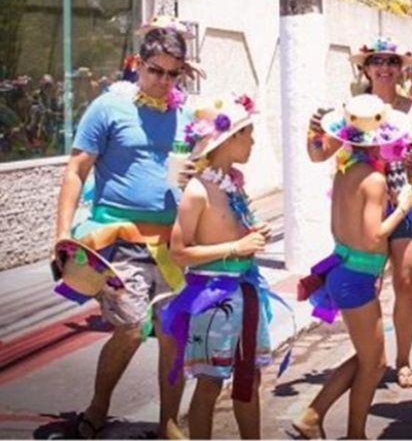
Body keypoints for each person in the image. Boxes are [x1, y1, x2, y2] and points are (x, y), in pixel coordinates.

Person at [53, 22, 193, 440]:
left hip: (171, 245)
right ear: (137, 64)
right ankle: (99, 407)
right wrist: (62, 234)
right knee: (131, 328)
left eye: (173, 73)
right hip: (121, 244)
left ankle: (169, 423)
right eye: (156, 70)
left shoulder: (186, 116)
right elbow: (76, 170)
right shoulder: (107, 109)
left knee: (173, 334)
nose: (164, 81)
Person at [307, 36, 412, 390]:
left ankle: (404, 360)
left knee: (406, 280)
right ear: (365, 69)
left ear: (401, 69)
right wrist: (313, 130)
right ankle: (370, 356)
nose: (384, 67)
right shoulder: (353, 109)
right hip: (366, 204)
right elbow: (319, 154)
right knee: (368, 282)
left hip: (408, 201)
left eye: (391, 61)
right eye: (376, 61)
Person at [294, 96, 412, 439]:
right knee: (375, 363)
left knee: (369, 358)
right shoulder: (373, 179)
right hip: (354, 277)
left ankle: (317, 417)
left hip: (348, 270)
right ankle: (346, 430)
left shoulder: (345, 171)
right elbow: (373, 234)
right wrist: (403, 207)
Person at [163, 92, 275, 439]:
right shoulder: (198, 191)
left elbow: (233, 230)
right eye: (248, 134)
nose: (253, 142)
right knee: (210, 382)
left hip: (245, 291)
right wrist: (235, 247)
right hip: (214, 298)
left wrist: (252, 233)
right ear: (229, 139)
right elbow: (178, 251)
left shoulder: (233, 183)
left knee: (248, 378)